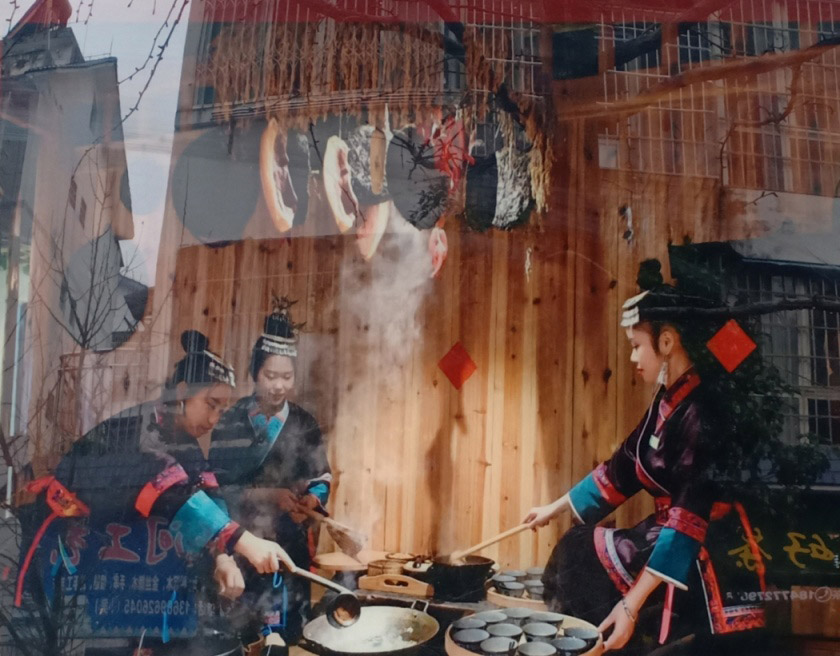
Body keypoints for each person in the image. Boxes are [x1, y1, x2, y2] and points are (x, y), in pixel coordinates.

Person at [524, 280, 767, 655]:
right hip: (671, 531)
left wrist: (629, 606)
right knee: (578, 547)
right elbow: (622, 467)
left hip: (702, 546)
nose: (633, 357)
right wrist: (552, 509)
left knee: (583, 555)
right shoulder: (669, 400)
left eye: (637, 346)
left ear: (666, 342)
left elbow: (688, 518)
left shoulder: (701, 410)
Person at [17, 330, 294, 649]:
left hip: (121, 564)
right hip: (66, 546)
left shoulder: (183, 438)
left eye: (222, 409)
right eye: (211, 405)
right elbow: (171, 492)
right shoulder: (141, 429)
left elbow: (207, 490)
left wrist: (223, 557)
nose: (214, 419)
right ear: (182, 392)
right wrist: (243, 541)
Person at [210, 297, 331, 647]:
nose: (278, 386)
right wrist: (266, 495)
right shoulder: (231, 421)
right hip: (243, 546)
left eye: (287, 377)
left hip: (290, 547)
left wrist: (310, 501)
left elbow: (321, 477)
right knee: (243, 636)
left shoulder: (305, 423)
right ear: (254, 374)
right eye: (270, 376)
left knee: (290, 635)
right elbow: (216, 488)